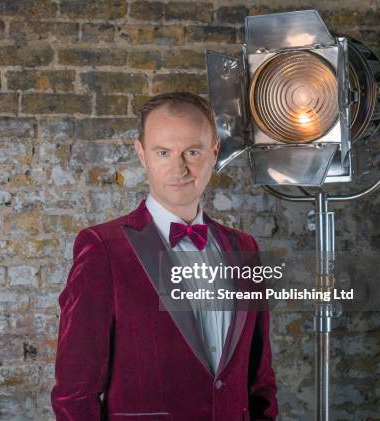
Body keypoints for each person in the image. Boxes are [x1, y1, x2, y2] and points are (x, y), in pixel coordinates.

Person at [51, 92, 278, 420]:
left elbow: (261, 381)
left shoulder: (244, 249)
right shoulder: (102, 249)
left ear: (214, 152)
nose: (180, 168)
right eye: (163, 152)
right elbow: (74, 394)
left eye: (192, 151)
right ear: (141, 154)